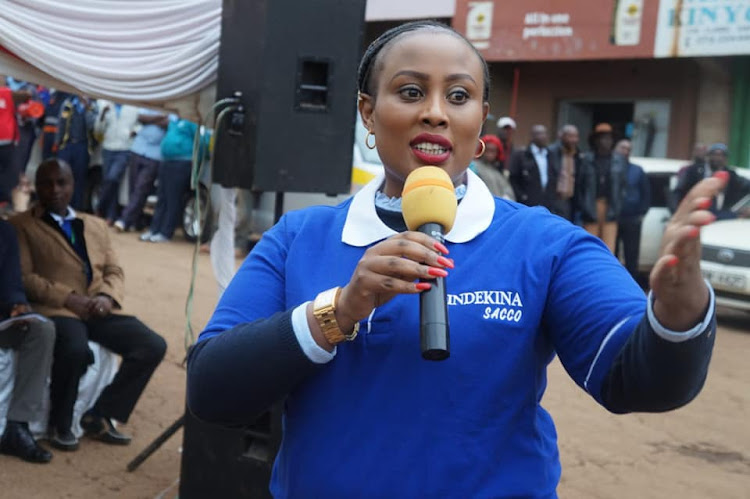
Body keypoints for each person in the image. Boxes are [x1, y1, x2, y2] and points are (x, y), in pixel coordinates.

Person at [186, 21, 723, 497]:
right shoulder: (298, 238)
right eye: (411, 91)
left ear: (481, 121)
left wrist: (677, 312)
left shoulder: (547, 244)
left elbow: (636, 381)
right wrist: (338, 312)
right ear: (367, 113)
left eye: (460, 96)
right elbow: (212, 390)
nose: (436, 113)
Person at [10, 159, 166, 451]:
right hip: (57, 308)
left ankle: (102, 414)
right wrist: (69, 298)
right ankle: (61, 422)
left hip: (97, 308)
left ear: (73, 185)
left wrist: (107, 297)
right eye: (46, 183)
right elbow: (25, 277)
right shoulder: (22, 225)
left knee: (152, 345)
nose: (54, 190)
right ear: (36, 187)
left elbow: (114, 270)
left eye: (61, 182)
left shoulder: (94, 224)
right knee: (75, 348)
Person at [0, 220, 56, 463]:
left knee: (42, 330)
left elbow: (12, 283)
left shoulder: (4, 232)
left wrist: (17, 305)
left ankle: (17, 426)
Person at [140, 116, 198, 242]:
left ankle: (165, 233)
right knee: (162, 197)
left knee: (173, 198)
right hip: (166, 161)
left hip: (182, 162)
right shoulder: (174, 121)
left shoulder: (191, 122)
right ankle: (154, 230)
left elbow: (199, 142)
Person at [114, 109, 168, 232]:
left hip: (154, 155)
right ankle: (136, 222)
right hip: (138, 149)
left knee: (141, 188)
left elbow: (167, 123)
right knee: (133, 188)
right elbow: (141, 117)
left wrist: (150, 120)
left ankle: (124, 220)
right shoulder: (151, 102)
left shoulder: (169, 104)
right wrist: (159, 117)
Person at [577, 123, 627, 252]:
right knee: (589, 245)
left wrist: (618, 207)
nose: (607, 141)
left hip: (611, 207)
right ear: (596, 140)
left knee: (609, 247)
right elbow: (580, 186)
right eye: (603, 138)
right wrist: (584, 207)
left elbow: (623, 186)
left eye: (609, 138)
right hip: (591, 205)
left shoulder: (619, 160)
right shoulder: (586, 160)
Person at [673, 143, 750, 219]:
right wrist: (677, 213)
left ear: (725, 158)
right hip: (695, 214)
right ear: (709, 156)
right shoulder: (694, 171)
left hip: (720, 218)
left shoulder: (731, 174)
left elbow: (745, 185)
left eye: (722, 155)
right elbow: (679, 192)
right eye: (715, 154)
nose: (718, 158)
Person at [93, 100, 140, 225]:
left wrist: (134, 131)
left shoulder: (133, 106)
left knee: (113, 178)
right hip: (108, 147)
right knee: (109, 181)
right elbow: (98, 130)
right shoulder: (104, 104)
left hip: (124, 149)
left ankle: (100, 207)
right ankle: (111, 215)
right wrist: (102, 114)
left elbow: (140, 124)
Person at [614, 139, 650, 284]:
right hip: (613, 218)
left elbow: (646, 194)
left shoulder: (637, 170)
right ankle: (613, 284)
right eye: (623, 148)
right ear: (616, 149)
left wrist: (641, 213)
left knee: (631, 256)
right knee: (611, 254)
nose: (626, 152)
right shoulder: (611, 166)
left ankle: (631, 286)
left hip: (632, 219)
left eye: (629, 149)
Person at [55, 94, 95, 210]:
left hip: (82, 146)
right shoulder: (68, 103)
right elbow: (60, 122)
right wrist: (58, 142)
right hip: (67, 144)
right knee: (62, 175)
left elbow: (92, 126)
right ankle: (59, 204)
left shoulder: (92, 106)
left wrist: (86, 108)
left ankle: (76, 207)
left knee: (79, 178)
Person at [509, 124, 560, 213]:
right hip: (527, 202)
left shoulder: (550, 155)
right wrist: (522, 196)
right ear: (532, 137)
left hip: (547, 203)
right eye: (539, 134)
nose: (543, 137)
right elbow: (513, 178)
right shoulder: (521, 155)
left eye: (545, 134)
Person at [0, 86, 31, 213]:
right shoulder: (8, 93)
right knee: (7, 174)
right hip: (7, 142)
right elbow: (26, 95)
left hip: (7, 141)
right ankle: (4, 202)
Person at [547, 124, 582, 222]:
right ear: (561, 136)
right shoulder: (551, 152)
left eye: (576, 136)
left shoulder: (577, 155)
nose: (574, 140)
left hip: (569, 201)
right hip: (554, 199)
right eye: (570, 136)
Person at [472, 134, 515, 200]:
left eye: (493, 151)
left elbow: (508, 191)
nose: (489, 154)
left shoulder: (498, 172)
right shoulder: (474, 166)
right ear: (482, 150)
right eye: (487, 150)